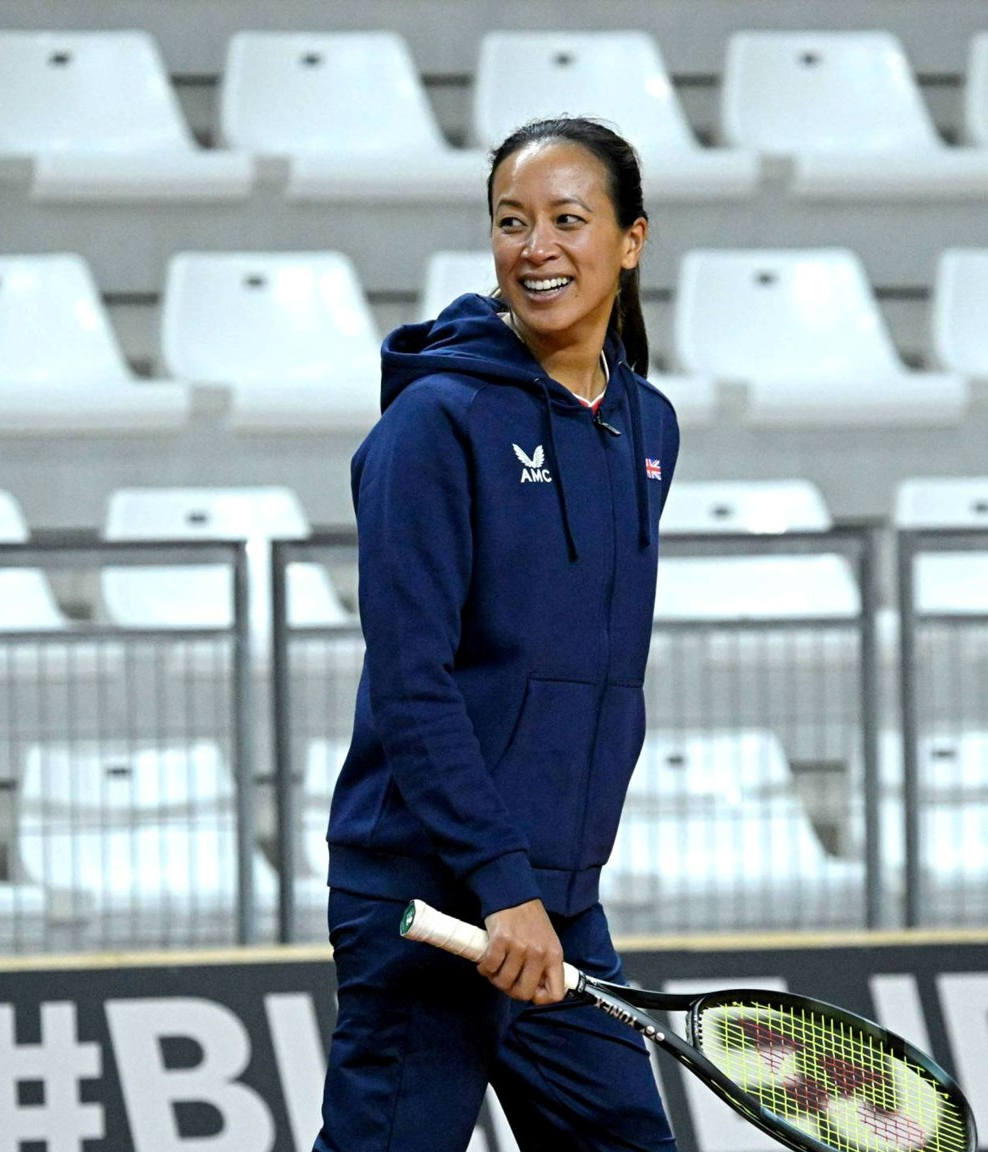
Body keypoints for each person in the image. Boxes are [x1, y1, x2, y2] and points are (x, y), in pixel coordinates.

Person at [312, 117, 680, 1152]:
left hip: (553, 908)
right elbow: (411, 683)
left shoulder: (647, 427)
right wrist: (499, 883)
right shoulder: (431, 425)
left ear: (630, 240)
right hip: (431, 896)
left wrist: (543, 892)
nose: (536, 247)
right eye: (512, 222)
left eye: (568, 220)